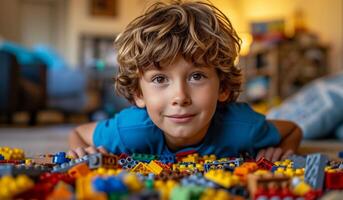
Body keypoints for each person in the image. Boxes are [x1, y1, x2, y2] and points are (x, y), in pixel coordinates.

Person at [68, 1, 302, 162]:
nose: (180, 97)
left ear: (222, 87)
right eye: (159, 78)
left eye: (196, 76)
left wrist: (281, 151)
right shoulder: (129, 131)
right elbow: (78, 134)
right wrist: (82, 152)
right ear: (139, 94)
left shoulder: (244, 127)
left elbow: (292, 130)